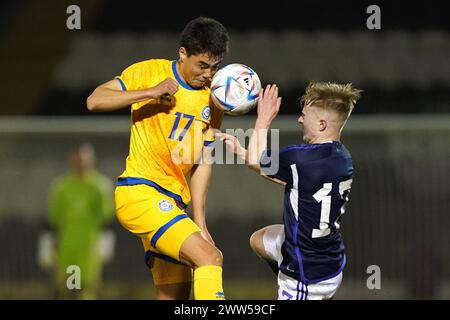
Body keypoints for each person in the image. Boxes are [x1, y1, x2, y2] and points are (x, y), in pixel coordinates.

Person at [86, 17, 229, 300]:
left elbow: (203, 159)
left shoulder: (214, 99)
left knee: (175, 296)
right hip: (139, 193)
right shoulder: (150, 72)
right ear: (183, 54)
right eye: (202, 65)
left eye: (215, 67)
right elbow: (95, 100)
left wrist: (200, 220)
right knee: (210, 258)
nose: (209, 74)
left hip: (173, 204)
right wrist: (150, 92)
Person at [220, 81, 362, 300]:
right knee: (258, 240)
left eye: (304, 115)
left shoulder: (301, 158)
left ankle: (290, 287)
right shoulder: (343, 158)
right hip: (331, 260)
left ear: (322, 124)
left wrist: (264, 118)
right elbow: (295, 181)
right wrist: (243, 152)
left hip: (306, 274)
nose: (299, 119)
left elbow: (254, 160)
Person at [41, 143, 115, 299]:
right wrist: (47, 243)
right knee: (67, 288)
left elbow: (107, 219)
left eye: (85, 159)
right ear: (72, 160)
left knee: (87, 289)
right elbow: (52, 218)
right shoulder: (62, 187)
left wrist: (106, 242)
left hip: (90, 249)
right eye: (78, 159)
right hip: (66, 247)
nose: (81, 163)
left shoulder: (100, 187)